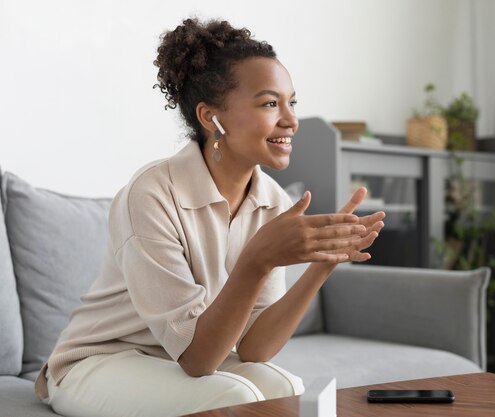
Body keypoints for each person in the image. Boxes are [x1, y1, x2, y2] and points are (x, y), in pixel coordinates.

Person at [35, 17, 385, 417]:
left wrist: (323, 264)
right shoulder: (150, 195)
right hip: (100, 362)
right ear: (210, 117)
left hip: (180, 360)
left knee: (285, 388)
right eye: (270, 103)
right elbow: (197, 360)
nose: (291, 120)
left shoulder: (271, 201)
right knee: (233, 398)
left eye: (292, 102)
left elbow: (254, 348)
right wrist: (259, 259)